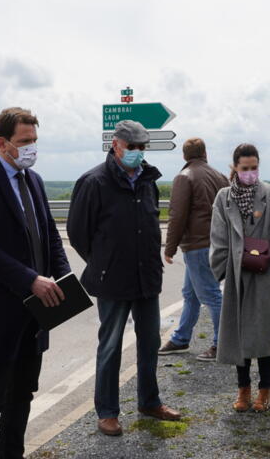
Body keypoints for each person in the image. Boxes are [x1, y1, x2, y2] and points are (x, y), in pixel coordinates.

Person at [0, 107, 72, 459]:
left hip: (35, 312)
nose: (31, 148)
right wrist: (30, 280)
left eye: (35, 140)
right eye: (25, 141)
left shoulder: (33, 180)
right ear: (2, 143)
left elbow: (50, 235)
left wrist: (65, 277)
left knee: (23, 395)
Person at [67, 119, 181, 437]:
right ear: (116, 145)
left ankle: (149, 401)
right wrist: (103, 262)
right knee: (111, 346)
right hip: (112, 280)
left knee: (150, 342)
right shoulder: (94, 182)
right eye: (133, 147)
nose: (138, 153)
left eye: (143, 147)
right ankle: (107, 412)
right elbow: (78, 233)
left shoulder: (148, 180)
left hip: (146, 277)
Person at [209, 143, 270, 413]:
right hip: (237, 273)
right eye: (245, 168)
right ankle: (243, 390)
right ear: (235, 167)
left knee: (264, 334)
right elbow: (218, 236)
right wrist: (221, 269)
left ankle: (264, 390)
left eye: (254, 167)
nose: (250, 173)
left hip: (265, 273)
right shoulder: (224, 197)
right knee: (239, 332)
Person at [159, 137, 229, 362]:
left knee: (211, 295)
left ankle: (222, 345)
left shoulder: (184, 177)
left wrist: (169, 247)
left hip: (198, 245)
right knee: (190, 294)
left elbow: (177, 215)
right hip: (217, 243)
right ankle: (180, 339)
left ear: (184, 156)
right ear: (205, 153)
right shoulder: (220, 176)